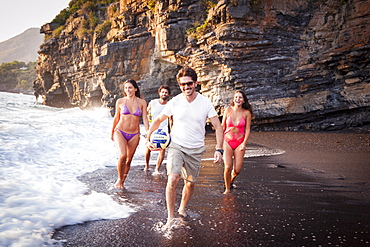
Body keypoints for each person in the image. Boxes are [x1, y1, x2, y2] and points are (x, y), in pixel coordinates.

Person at [146, 67, 224, 228]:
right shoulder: (175, 101)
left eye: (189, 84)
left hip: (196, 149)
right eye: (182, 85)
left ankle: (182, 207)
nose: (186, 87)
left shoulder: (204, 102)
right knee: (173, 178)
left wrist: (219, 149)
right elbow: (158, 119)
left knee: (190, 183)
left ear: (195, 83)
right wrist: (148, 138)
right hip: (176, 145)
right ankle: (170, 218)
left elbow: (218, 126)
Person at [111, 79, 149, 189]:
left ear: (135, 89)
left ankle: (122, 182)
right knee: (122, 155)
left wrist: (149, 134)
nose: (128, 90)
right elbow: (116, 118)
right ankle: (119, 178)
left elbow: (145, 119)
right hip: (120, 132)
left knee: (128, 161)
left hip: (134, 134)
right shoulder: (120, 101)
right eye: (126, 88)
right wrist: (112, 132)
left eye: (130, 87)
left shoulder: (142, 102)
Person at [222, 90, 253, 194]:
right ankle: (227, 189)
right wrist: (219, 143)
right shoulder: (228, 110)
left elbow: (247, 129)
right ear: (233, 99)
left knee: (237, 170)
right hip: (227, 141)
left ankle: (231, 180)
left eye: (240, 97)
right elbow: (222, 127)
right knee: (227, 166)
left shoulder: (246, 113)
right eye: (236, 97)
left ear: (243, 100)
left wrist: (244, 143)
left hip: (239, 142)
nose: (238, 99)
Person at [144, 85, 172, 174]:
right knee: (148, 147)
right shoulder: (153, 102)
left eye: (166, 93)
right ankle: (147, 165)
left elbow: (171, 119)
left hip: (164, 129)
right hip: (153, 128)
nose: (164, 94)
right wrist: (149, 124)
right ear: (159, 93)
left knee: (162, 149)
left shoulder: (169, 105)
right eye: (163, 92)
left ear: (168, 95)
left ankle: (157, 169)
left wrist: (171, 132)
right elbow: (147, 113)